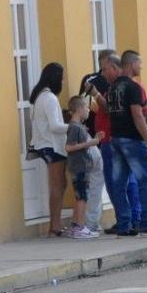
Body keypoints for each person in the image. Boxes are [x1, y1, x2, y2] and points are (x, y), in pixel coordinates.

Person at [106, 50, 147, 236]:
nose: (141, 67)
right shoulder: (133, 87)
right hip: (132, 139)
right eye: (139, 63)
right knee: (146, 179)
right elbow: (138, 115)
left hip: (115, 139)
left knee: (118, 183)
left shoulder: (112, 88)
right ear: (131, 64)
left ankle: (124, 224)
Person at [88, 54, 141, 234]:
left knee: (120, 182)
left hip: (114, 140)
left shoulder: (123, 88)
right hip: (115, 140)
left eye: (104, 69)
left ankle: (130, 219)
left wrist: (95, 94)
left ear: (114, 67)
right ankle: (129, 219)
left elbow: (109, 109)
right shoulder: (118, 88)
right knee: (122, 182)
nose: (103, 73)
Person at [30, 63, 68, 237]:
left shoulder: (40, 96)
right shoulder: (50, 98)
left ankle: (55, 225)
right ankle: (54, 226)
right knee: (57, 186)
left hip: (45, 145)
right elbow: (55, 126)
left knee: (58, 184)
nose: (63, 80)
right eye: (61, 77)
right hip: (52, 145)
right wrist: (73, 126)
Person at [64, 96, 103, 239]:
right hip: (79, 167)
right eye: (86, 107)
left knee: (80, 196)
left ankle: (75, 225)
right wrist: (90, 144)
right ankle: (80, 228)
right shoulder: (74, 127)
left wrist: (94, 139)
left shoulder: (79, 126)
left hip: (82, 166)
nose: (88, 110)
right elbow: (69, 147)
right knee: (82, 197)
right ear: (79, 109)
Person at [78, 49, 115, 136]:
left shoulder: (119, 81)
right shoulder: (90, 80)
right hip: (93, 129)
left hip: (114, 132)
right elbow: (80, 105)